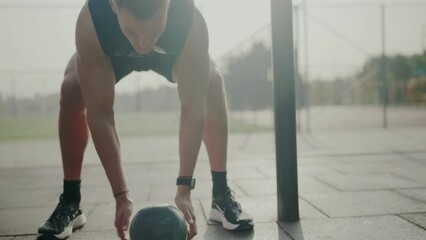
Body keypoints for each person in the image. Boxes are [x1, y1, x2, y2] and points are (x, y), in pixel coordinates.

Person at [36, 0, 254, 239]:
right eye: (132, 31)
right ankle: (71, 201)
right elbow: (101, 115)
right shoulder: (92, 21)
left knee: (212, 83)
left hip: (169, 53)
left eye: (152, 31)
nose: (143, 45)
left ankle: (221, 195)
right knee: (71, 88)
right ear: (113, 5)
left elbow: (192, 110)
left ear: (168, 5)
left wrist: (184, 191)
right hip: (113, 53)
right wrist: (121, 196)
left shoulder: (190, 22)